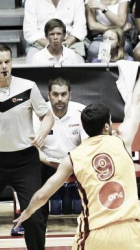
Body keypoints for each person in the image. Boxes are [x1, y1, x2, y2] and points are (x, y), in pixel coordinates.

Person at [13, 34, 140, 250]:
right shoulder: (122, 141)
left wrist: (27, 211)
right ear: (108, 126)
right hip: (134, 231)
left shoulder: (74, 157)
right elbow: (138, 100)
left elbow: (44, 193)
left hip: (96, 234)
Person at [0, 43, 54, 250]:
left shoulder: (27, 86)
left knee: (34, 217)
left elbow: (47, 116)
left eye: (7, 62)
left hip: (25, 161)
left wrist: (41, 133)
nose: (4, 66)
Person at [34, 77, 87, 229]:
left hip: (75, 162)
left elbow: (88, 145)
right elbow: (33, 149)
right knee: (32, 168)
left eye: (63, 94)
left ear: (70, 94)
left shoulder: (81, 111)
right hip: (47, 162)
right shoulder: (37, 113)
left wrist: (70, 162)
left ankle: (95, 220)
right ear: (48, 95)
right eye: (55, 94)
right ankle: (37, 221)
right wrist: (49, 161)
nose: (59, 99)